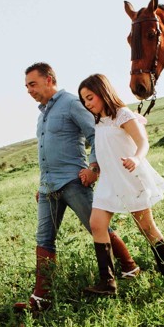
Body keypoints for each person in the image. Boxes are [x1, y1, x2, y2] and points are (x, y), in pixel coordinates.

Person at [14, 63, 139, 312]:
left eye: (32, 84)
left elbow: (96, 135)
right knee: (44, 238)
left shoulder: (71, 103)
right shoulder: (42, 115)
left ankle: (129, 268)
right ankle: (42, 298)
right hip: (49, 187)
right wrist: (43, 182)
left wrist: (94, 168)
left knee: (97, 227)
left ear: (49, 79)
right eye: (26, 85)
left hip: (74, 182)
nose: (28, 90)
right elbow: (46, 152)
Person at [78, 73, 164, 296]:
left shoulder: (122, 114)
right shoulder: (98, 121)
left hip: (130, 178)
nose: (87, 104)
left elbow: (142, 142)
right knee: (97, 225)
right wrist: (95, 169)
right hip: (109, 181)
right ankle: (108, 283)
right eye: (84, 100)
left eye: (90, 97)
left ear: (103, 92)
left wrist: (137, 159)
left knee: (147, 228)